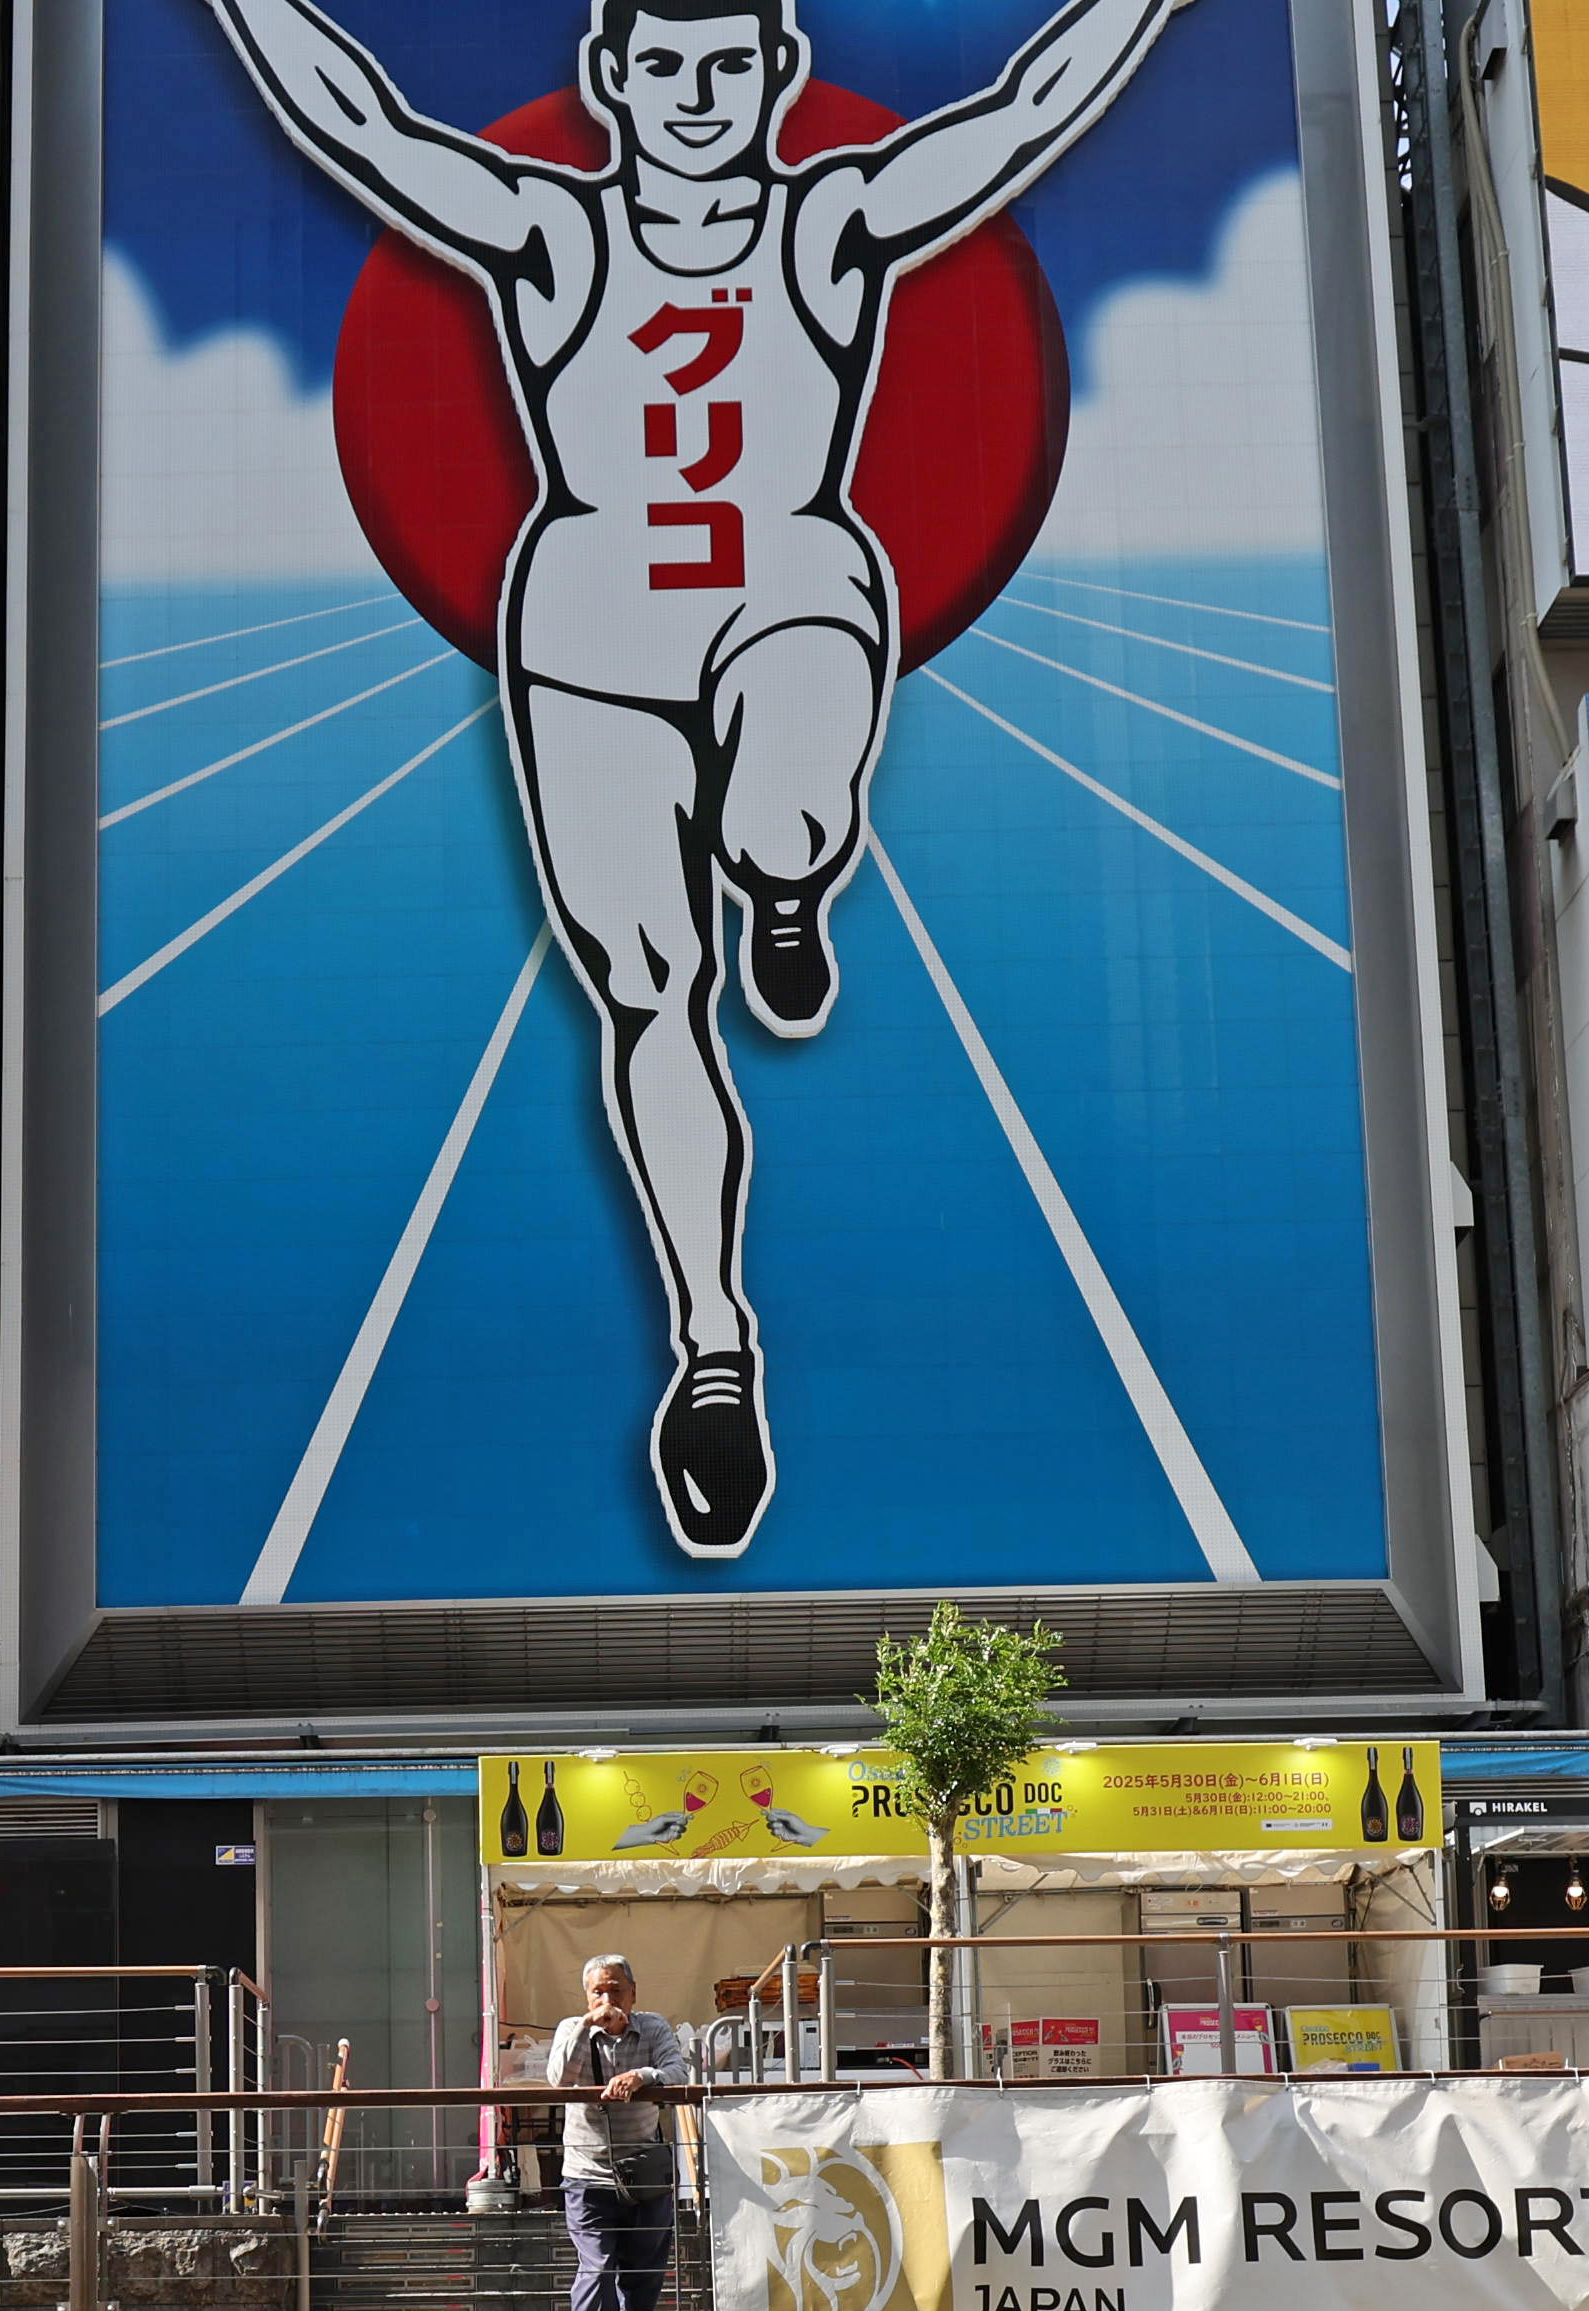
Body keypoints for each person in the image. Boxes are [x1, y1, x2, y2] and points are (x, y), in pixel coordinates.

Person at [191, 0, 1203, 1558]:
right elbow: (362, 127)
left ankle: (788, 884)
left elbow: (1018, 118)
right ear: (611, 79)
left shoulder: (829, 225)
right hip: (590, 638)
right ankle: (714, 1347)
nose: (694, 96)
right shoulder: (553, 236)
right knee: (649, 995)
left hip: (788, 592)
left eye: (727, 66)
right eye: (663, 66)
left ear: (776, 77)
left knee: (782, 812)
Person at [540, 1952, 696, 2311]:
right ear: (586, 1996)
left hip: (644, 2176)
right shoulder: (572, 2029)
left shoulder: (652, 2027)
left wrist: (640, 2076)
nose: (607, 1999)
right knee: (597, 2271)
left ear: (633, 1993)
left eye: (616, 1990)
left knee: (642, 2281)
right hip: (588, 2176)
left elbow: (678, 2072)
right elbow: (558, 2080)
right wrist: (588, 2025)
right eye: (598, 1991)